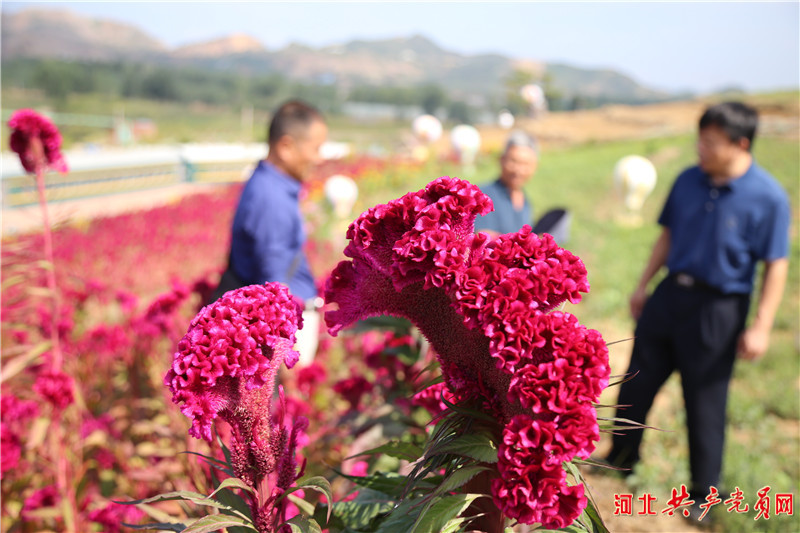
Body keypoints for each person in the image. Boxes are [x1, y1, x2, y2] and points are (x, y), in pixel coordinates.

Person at [602, 102, 790, 520]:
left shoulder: (768, 197)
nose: (700, 148)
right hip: (670, 296)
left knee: (705, 401)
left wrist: (761, 325)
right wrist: (642, 285)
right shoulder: (688, 179)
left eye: (710, 142)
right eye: (700, 139)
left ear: (740, 144)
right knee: (636, 383)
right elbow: (667, 235)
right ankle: (621, 458)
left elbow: (776, 264)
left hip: (719, 309)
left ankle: (704, 497)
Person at [223, 99, 328, 365]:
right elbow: (273, 287)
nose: (319, 158)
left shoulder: (271, 185)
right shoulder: (272, 200)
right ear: (286, 146)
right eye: (315, 148)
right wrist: (281, 347)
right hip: (281, 335)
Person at [474, 130, 539, 236]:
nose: (518, 170)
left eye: (525, 164)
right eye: (513, 161)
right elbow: (484, 238)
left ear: (534, 167)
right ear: (501, 160)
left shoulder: (526, 201)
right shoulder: (483, 196)